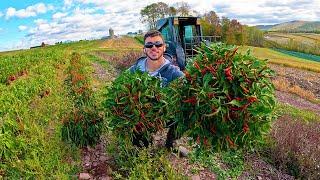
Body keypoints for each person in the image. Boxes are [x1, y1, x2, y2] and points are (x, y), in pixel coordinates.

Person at [129, 30, 184, 148]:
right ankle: (142, 143)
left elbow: (188, 87)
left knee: (187, 110)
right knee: (140, 146)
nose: (154, 48)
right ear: (144, 49)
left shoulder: (173, 72)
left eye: (158, 44)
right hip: (142, 115)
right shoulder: (134, 71)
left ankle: (172, 142)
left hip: (166, 114)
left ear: (164, 48)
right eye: (149, 45)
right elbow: (119, 86)